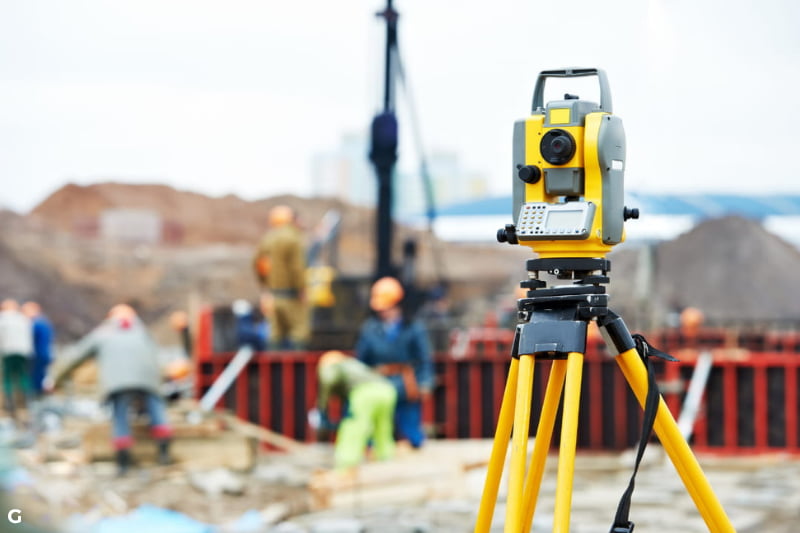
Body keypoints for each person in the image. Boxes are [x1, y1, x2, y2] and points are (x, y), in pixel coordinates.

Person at [45, 304, 173, 475]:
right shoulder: (143, 332)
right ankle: (164, 454)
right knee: (156, 411)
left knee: (120, 417)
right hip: (148, 379)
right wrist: (163, 378)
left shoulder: (104, 332)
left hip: (117, 381)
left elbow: (76, 356)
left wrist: (55, 379)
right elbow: (157, 356)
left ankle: (123, 463)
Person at [356, 277, 434, 448]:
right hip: (378, 383)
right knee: (375, 427)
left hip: (405, 383)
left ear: (398, 304)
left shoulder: (413, 327)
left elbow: (424, 358)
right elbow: (362, 361)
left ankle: (414, 444)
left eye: (388, 307)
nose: (384, 312)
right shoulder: (370, 328)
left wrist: (425, 382)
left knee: (410, 429)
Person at [315, 350, 397, 469]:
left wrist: (322, 407)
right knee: (383, 427)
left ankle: (346, 463)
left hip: (365, 393)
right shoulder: (354, 364)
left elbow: (328, 379)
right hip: (387, 390)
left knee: (354, 426)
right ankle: (386, 459)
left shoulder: (331, 366)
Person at [252, 205, 310, 349]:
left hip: (273, 296)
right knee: (299, 332)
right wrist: (302, 288)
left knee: (274, 334)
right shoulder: (294, 238)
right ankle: (297, 370)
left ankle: (274, 370)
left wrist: (265, 284)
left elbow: (258, 264)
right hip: (292, 296)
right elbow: (297, 267)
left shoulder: (267, 239)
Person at [0, 299, 33, 419]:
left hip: (8, 351)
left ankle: (9, 405)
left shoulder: (3, 318)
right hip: (23, 351)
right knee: (22, 376)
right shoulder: (23, 319)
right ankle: (25, 402)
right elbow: (29, 336)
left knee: (8, 377)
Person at [21, 301, 54, 398]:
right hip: (45, 354)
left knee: (36, 380)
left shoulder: (36, 324)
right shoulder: (44, 322)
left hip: (38, 355)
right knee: (44, 378)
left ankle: (36, 401)